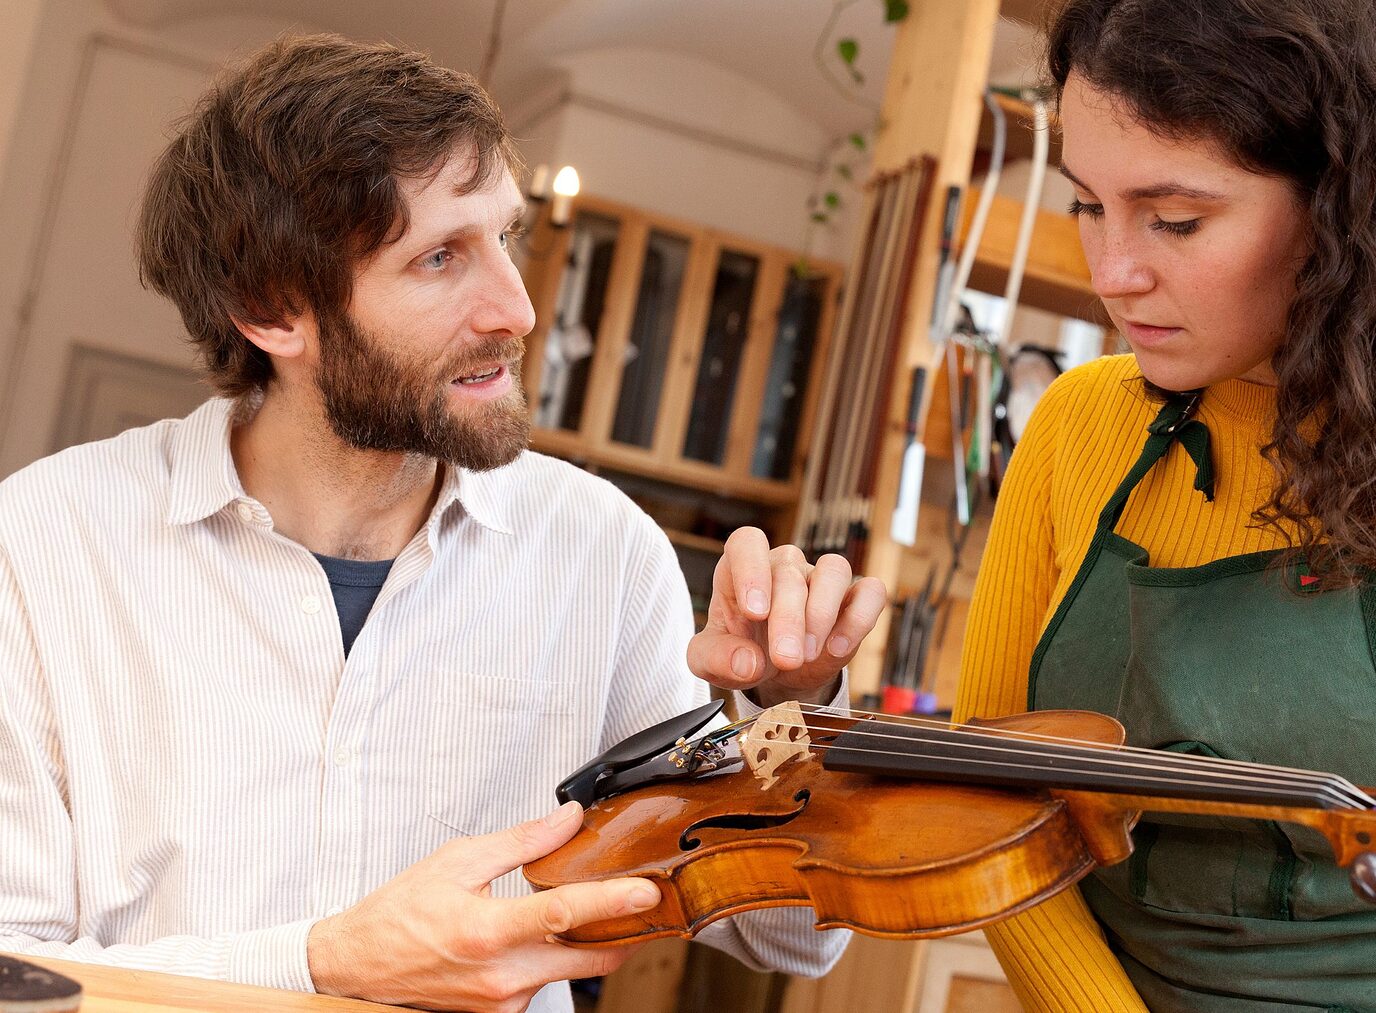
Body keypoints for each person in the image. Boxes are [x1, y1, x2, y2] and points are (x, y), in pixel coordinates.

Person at [0, 34, 885, 1013]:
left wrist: (791, 707)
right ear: (271, 309)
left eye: (507, 238)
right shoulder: (43, 545)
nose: (517, 308)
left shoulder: (601, 551)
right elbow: (10, 968)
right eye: (438, 258)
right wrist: (321, 963)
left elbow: (786, 932)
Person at [954, 0, 1376, 1010]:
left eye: (1174, 219)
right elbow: (989, 807)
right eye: (1087, 204)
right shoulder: (1075, 428)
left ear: (1343, 207)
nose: (1111, 273)